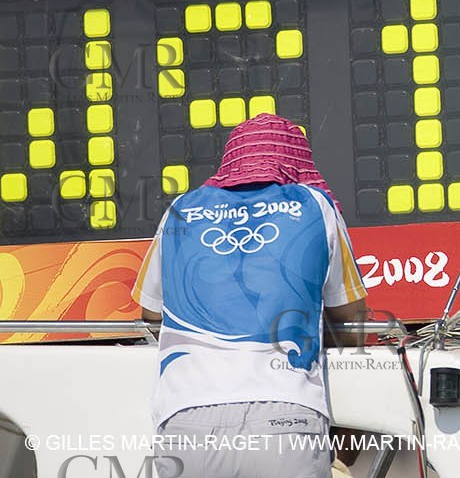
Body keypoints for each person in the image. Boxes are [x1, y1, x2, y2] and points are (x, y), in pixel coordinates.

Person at [133, 113, 369, 478]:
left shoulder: (179, 210)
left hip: (187, 418)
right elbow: (351, 319)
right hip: (285, 417)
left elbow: (150, 314)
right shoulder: (314, 204)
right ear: (299, 163)